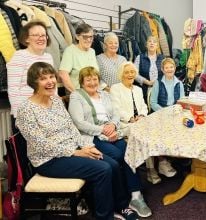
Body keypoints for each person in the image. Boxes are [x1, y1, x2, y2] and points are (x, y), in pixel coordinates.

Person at [16, 62, 139, 220]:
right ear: (33, 82)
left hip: (72, 150)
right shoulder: (26, 109)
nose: (50, 81)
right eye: (43, 78)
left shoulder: (56, 101)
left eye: (52, 76)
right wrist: (76, 152)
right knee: (103, 169)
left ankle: (121, 206)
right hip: (49, 160)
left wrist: (86, 146)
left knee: (113, 164)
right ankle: (105, 216)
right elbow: (40, 144)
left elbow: (72, 128)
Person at [68, 66, 152, 218]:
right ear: (81, 82)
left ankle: (135, 196)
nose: (92, 82)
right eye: (88, 79)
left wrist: (112, 125)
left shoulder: (104, 95)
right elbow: (79, 122)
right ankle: (123, 197)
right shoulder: (76, 96)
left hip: (112, 132)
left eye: (95, 79)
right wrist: (102, 130)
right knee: (118, 156)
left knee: (129, 151)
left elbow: (115, 114)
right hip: (92, 136)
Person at [7, 20, 53, 133]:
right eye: (36, 35)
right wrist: (20, 116)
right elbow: (13, 89)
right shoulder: (19, 56)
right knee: (26, 150)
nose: (41, 38)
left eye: (43, 35)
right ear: (26, 39)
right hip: (27, 114)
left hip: (46, 112)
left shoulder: (48, 57)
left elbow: (51, 86)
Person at [59, 23, 98, 93]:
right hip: (77, 94)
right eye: (85, 37)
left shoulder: (92, 51)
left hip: (92, 93)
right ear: (77, 37)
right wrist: (76, 94)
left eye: (91, 37)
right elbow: (63, 74)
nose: (89, 40)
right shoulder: (70, 51)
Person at [134, 36, 164, 103]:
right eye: (150, 41)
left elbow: (166, 73)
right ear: (146, 45)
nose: (152, 43)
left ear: (157, 45)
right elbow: (134, 74)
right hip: (144, 90)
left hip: (159, 90)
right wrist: (147, 82)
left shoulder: (162, 58)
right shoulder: (140, 57)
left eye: (154, 42)